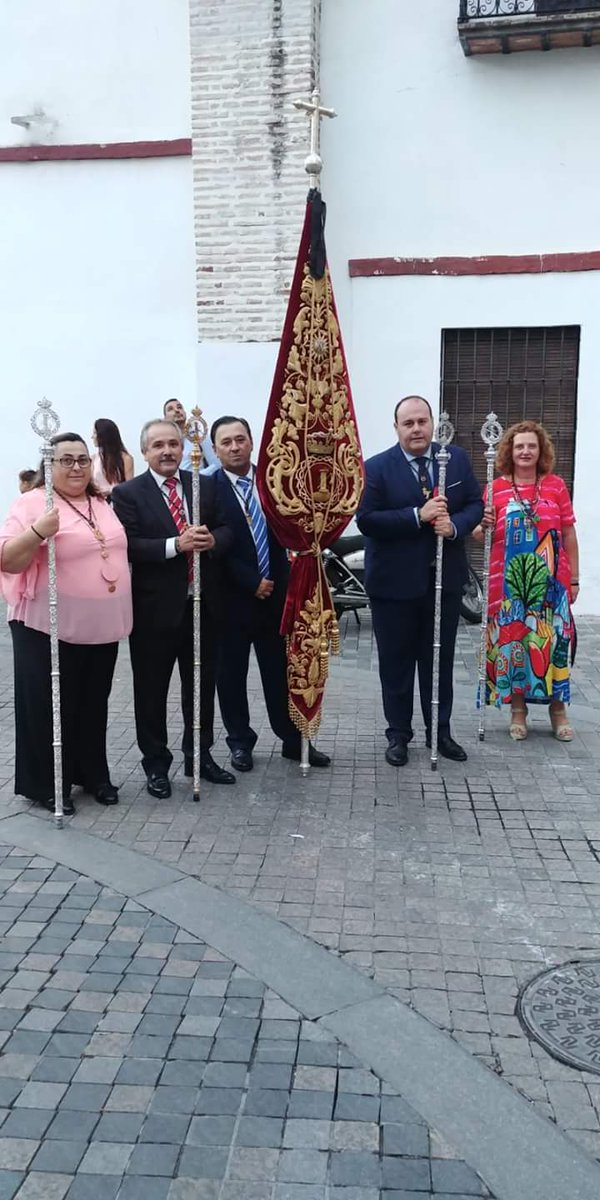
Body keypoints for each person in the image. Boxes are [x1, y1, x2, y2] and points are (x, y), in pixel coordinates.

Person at [0, 433, 132, 814]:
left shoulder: (100, 502)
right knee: (49, 704)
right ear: (49, 465)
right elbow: (7, 558)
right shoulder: (32, 502)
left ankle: (92, 774)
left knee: (92, 702)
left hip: (99, 625)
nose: (76, 467)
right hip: (46, 624)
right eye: (66, 460)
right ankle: (47, 783)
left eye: (82, 460)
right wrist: (37, 532)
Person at [357, 395, 483, 767]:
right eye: (408, 423)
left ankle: (439, 732)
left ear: (432, 424)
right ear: (396, 427)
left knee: (438, 661)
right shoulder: (376, 468)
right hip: (393, 585)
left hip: (443, 582)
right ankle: (398, 734)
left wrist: (455, 525)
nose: (416, 429)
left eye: (422, 421)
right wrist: (417, 515)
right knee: (396, 664)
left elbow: (475, 503)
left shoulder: (454, 459)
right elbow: (367, 520)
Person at [112, 418, 235, 798]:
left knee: (201, 688)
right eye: (158, 445)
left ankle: (199, 756)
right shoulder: (128, 494)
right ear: (144, 451)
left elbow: (229, 528)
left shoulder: (205, 485)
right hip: (154, 612)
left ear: (183, 448)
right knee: (151, 692)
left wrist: (212, 540)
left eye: (173, 444)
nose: (167, 451)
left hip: (203, 607)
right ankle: (156, 764)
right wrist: (174, 545)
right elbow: (128, 545)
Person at [211, 416, 330, 772]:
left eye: (240, 439)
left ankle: (293, 740)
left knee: (281, 674)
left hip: (278, 598)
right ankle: (240, 743)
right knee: (231, 677)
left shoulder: (275, 481)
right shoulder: (207, 488)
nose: (235, 447)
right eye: (226, 442)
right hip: (232, 601)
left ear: (252, 442)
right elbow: (214, 545)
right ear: (215, 449)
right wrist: (250, 581)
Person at [473, 420, 579, 741]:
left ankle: (558, 712)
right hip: (508, 585)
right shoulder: (495, 489)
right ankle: (518, 711)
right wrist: (482, 525)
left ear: (541, 450)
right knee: (514, 645)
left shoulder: (556, 486)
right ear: (510, 451)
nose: (525, 451)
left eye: (532, 445)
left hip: (552, 585)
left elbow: (568, 532)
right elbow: (479, 536)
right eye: (519, 446)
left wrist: (574, 579)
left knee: (554, 646)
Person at [163, 398, 219, 474]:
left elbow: (216, 464)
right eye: (170, 409)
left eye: (179, 407)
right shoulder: (164, 443)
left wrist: (194, 477)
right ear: (165, 418)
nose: (177, 410)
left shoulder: (199, 435)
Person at [91, 418, 134, 496]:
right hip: (98, 499)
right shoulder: (93, 459)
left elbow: (129, 486)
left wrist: (110, 491)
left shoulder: (125, 459)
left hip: (118, 499)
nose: (92, 437)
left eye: (95, 433)